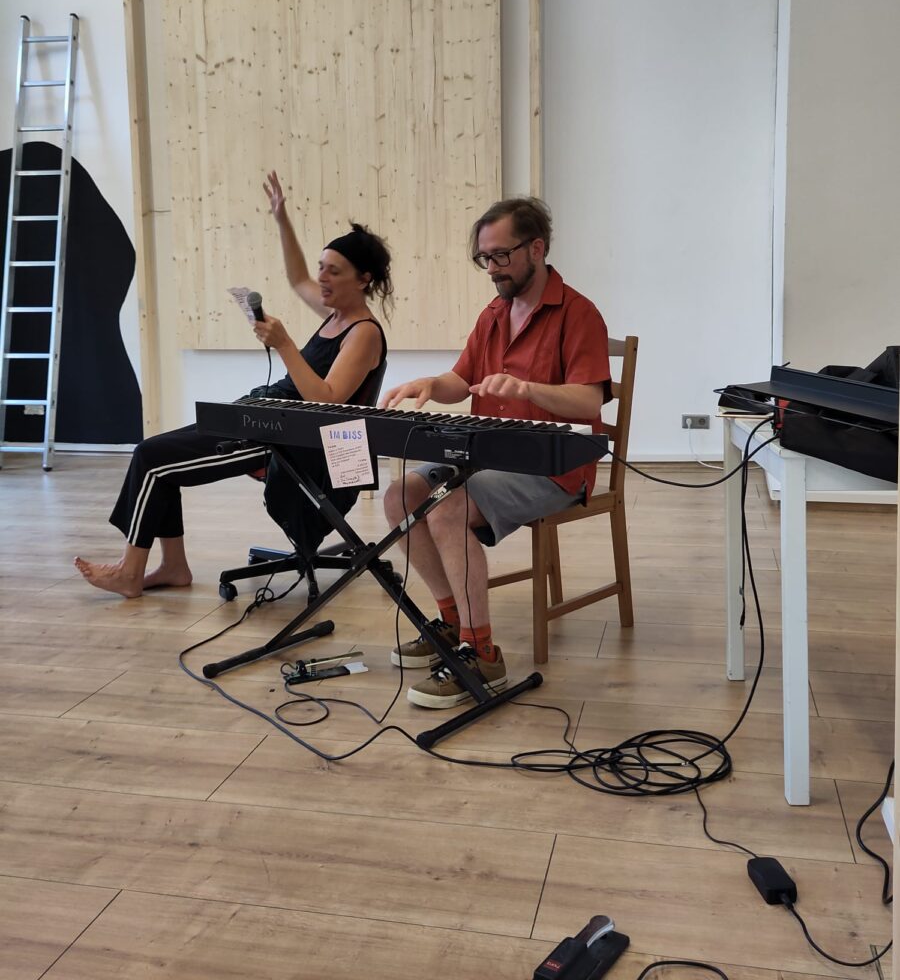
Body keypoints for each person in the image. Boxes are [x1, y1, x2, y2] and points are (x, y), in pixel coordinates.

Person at [74, 170, 391, 598]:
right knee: (156, 455)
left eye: (333, 271)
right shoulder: (336, 314)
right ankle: (173, 567)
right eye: (322, 267)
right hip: (266, 418)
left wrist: (284, 344)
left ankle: (131, 572)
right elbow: (297, 277)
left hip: (291, 440)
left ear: (363, 279)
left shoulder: (364, 333)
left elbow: (327, 399)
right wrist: (281, 220)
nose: (321, 278)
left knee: (151, 457)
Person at [380, 196, 610, 709]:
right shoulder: (493, 313)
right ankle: (451, 622)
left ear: (537, 248)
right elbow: (461, 380)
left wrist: (528, 390)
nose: (491, 269)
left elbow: (589, 401)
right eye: (484, 258)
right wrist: (430, 383)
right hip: (488, 456)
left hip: (554, 466)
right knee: (399, 497)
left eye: (501, 256)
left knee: (447, 508)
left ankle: (482, 654)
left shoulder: (579, 313)